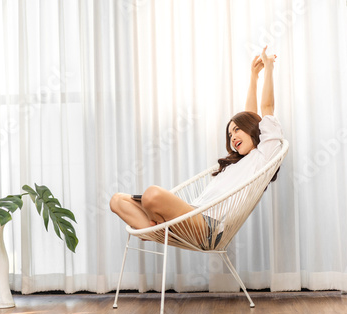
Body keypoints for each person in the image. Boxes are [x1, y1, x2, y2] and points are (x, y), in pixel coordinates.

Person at [110, 46, 282, 246]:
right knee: (117, 200)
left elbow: (266, 108)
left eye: (237, 130)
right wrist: (253, 77)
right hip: (191, 213)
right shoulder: (238, 162)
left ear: (253, 129)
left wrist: (268, 68)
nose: (233, 137)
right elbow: (248, 116)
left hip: (209, 227)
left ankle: (156, 226)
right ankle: (161, 228)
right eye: (230, 133)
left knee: (152, 194)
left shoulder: (263, 157)